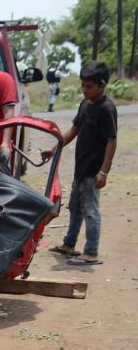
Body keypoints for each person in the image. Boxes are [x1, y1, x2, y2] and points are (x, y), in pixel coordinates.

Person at [44, 61, 117, 266]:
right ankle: (69, 244)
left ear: (102, 85)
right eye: (83, 86)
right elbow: (75, 128)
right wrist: (55, 148)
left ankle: (91, 252)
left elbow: (112, 140)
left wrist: (104, 171)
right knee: (75, 207)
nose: (85, 90)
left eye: (89, 87)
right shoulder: (85, 104)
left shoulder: (106, 108)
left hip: (93, 171)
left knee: (91, 210)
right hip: (81, 167)